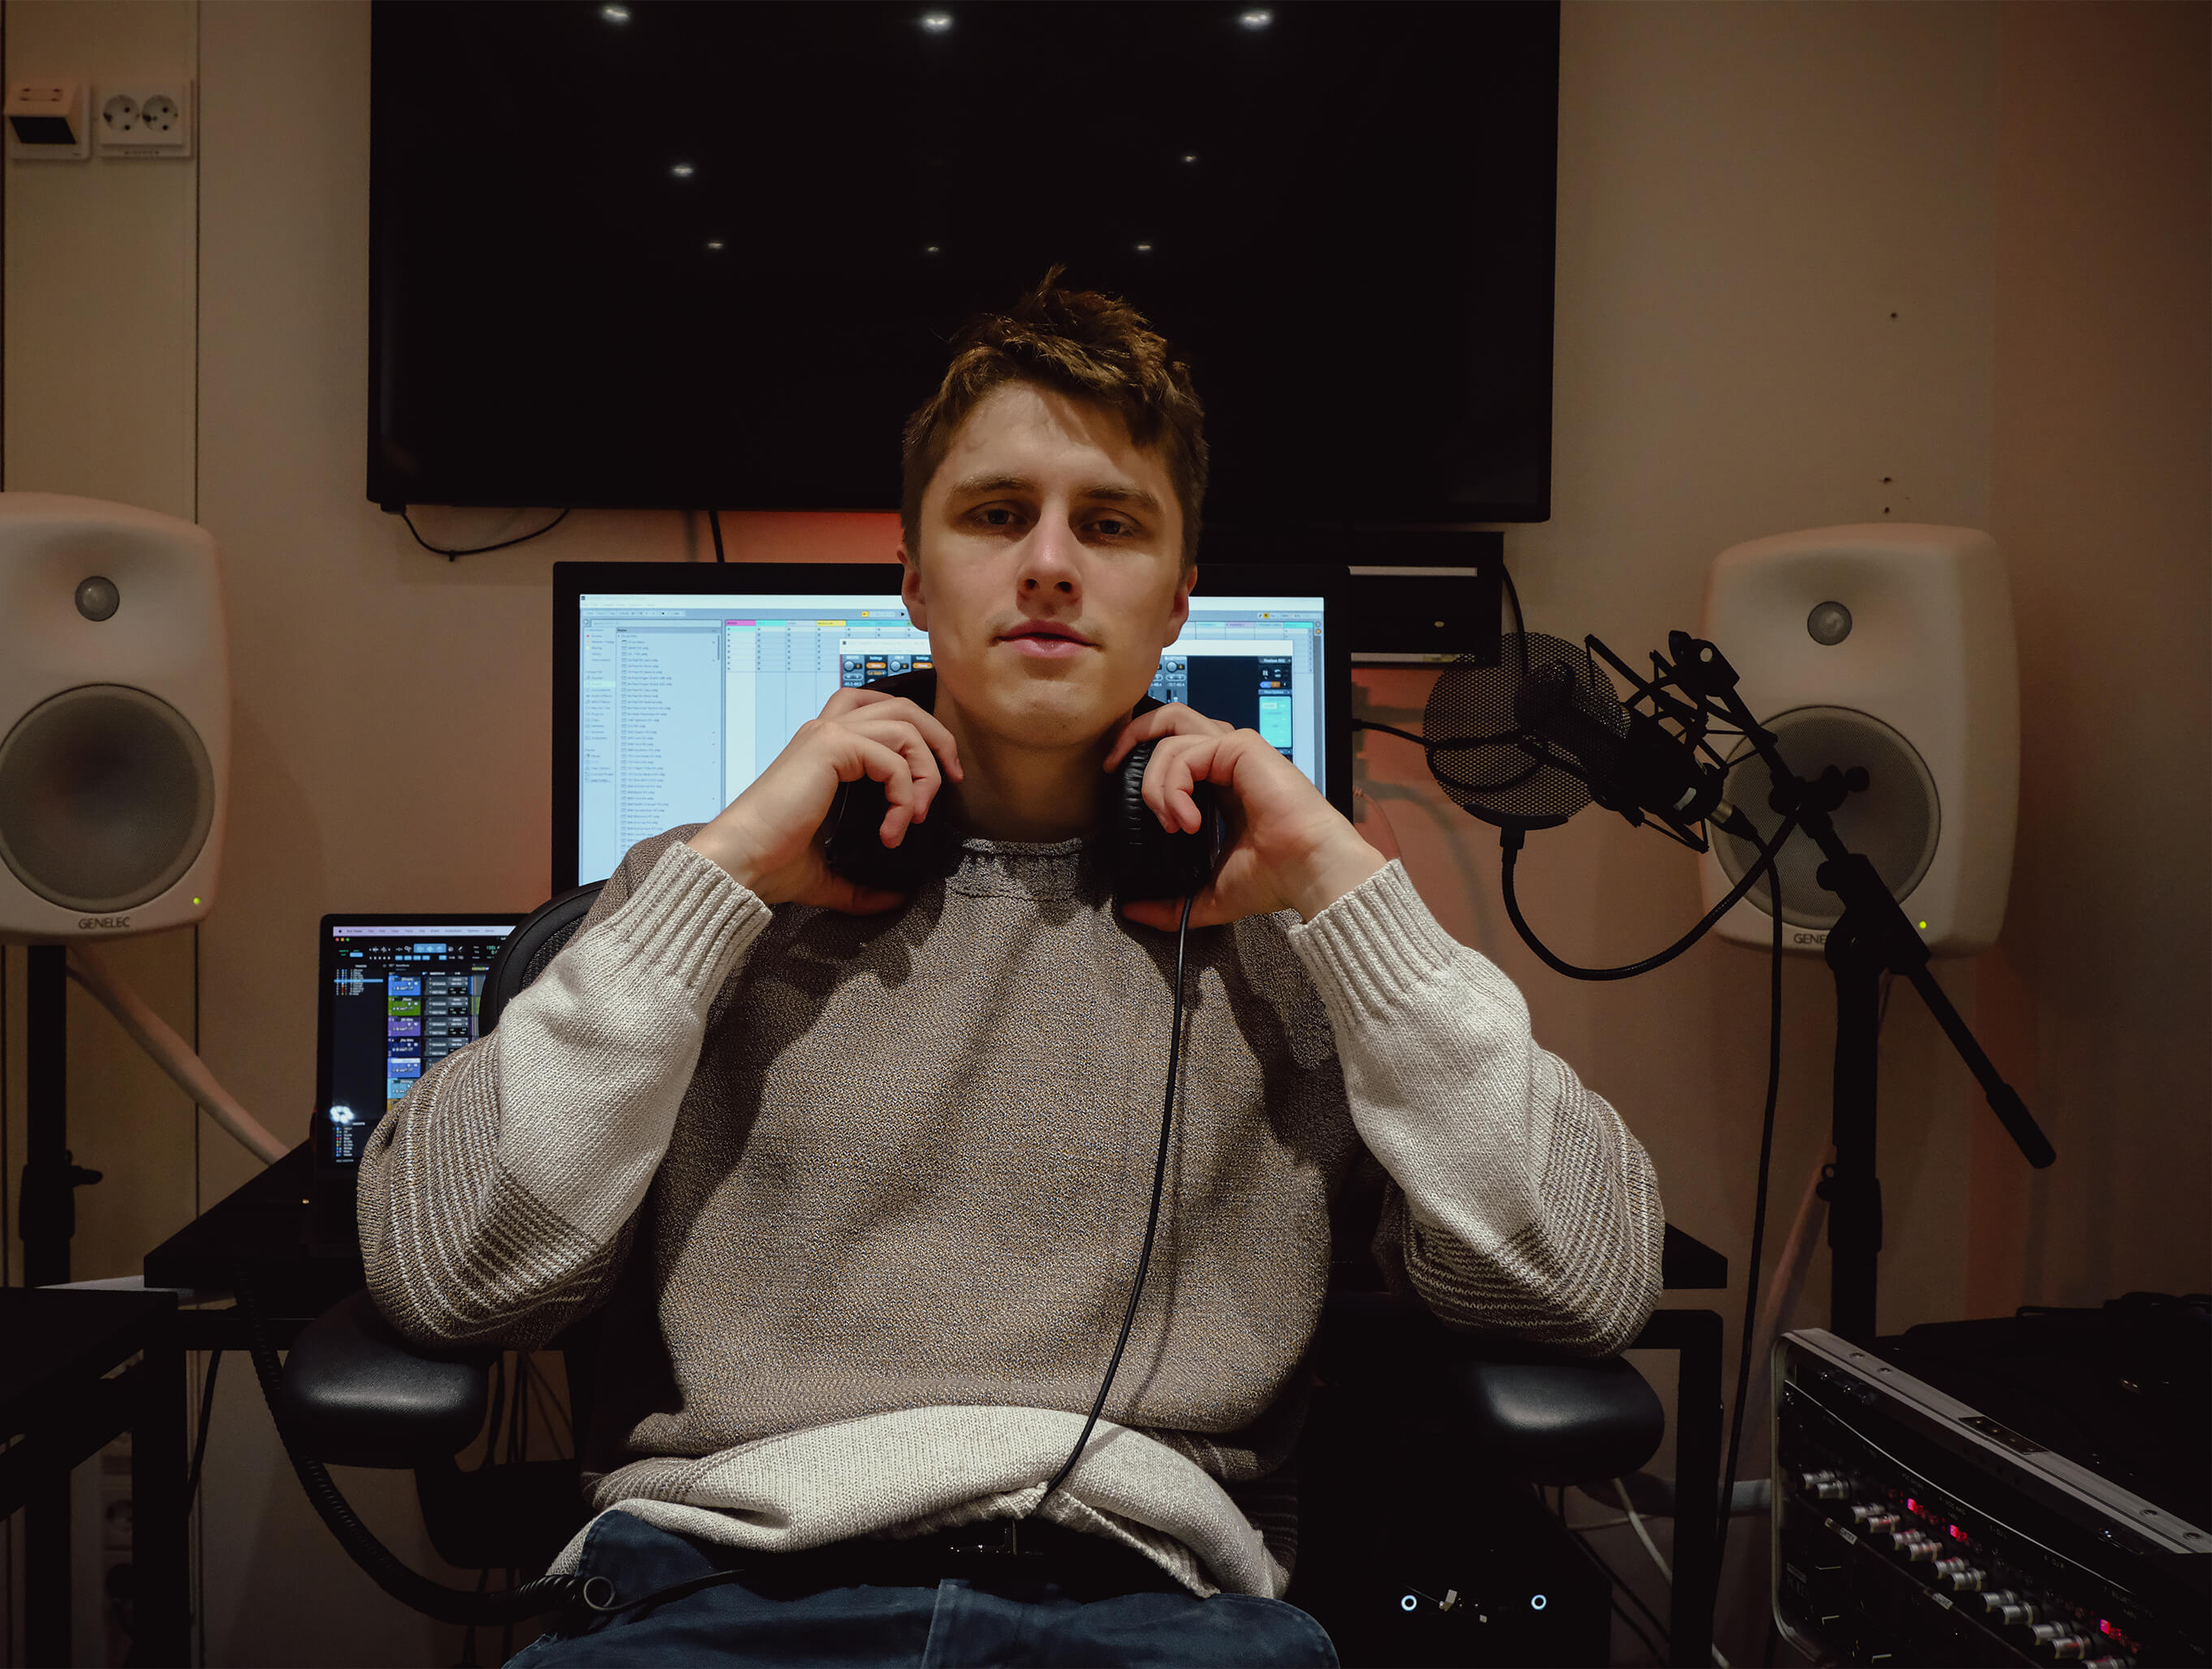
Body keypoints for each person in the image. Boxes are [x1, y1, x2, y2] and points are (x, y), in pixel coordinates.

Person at [358, 274, 1664, 1668]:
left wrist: (1347, 884)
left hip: (1153, 1604)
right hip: (718, 1594)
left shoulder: (1299, 942)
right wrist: (723, 871)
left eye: (1108, 524)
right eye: (996, 515)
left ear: (1178, 600)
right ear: (915, 579)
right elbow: (446, 1275)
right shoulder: (710, 901)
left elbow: (1582, 1284)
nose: (1048, 563)